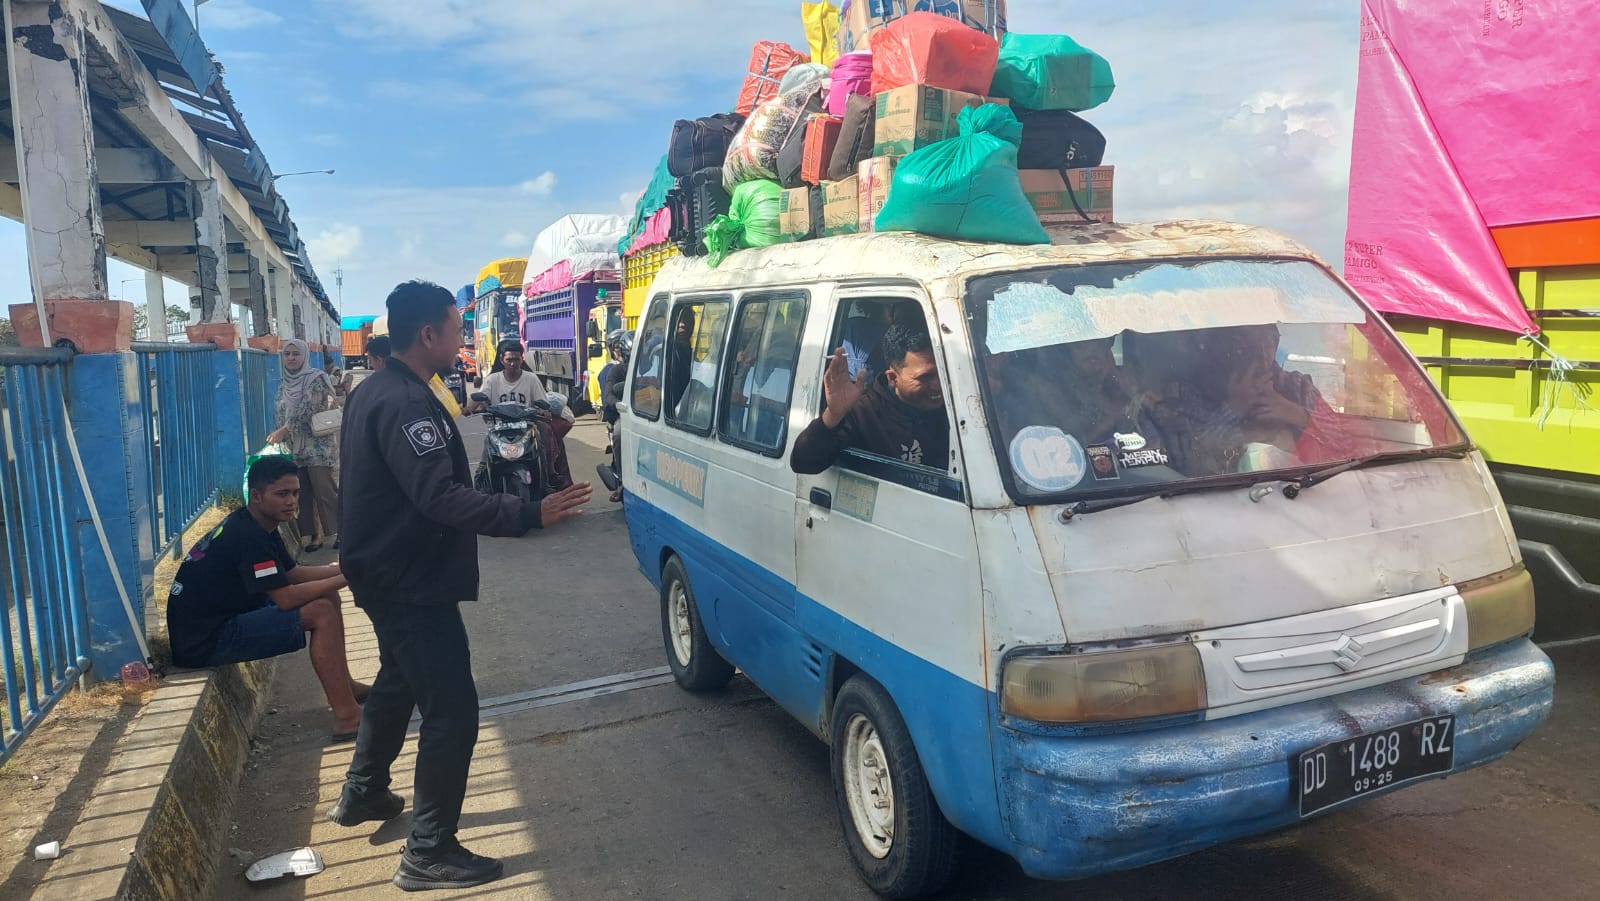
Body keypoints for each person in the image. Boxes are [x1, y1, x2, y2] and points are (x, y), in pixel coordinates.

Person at [332, 280, 591, 890]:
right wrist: (528, 513)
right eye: (454, 329)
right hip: (407, 580)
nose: (461, 340)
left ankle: (364, 790)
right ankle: (428, 850)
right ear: (428, 334)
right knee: (452, 711)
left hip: (384, 568)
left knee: (398, 678)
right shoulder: (405, 403)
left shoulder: (380, 390)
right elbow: (440, 496)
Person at [166, 455, 365, 739]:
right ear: (256, 496)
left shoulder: (259, 523)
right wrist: (350, 577)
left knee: (327, 594)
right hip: (206, 640)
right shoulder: (248, 536)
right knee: (320, 611)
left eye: (295, 493)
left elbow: (293, 573)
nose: (291, 501)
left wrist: (348, 569)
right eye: (282, 494)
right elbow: (286, 598)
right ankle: (348, 718)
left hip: (222, 618)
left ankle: (348, 689)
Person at [791, 324, 950, 474]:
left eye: (943, 373)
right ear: (893, 378)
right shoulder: (863, 412)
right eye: (925, 377)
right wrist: (832, 415)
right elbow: (803, 463)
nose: (938, 385)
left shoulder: (954, 404)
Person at [465, 339, 575, 491]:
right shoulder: (492, 380)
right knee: (485, 461)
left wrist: (543, 410)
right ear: (501, 360)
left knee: (545, 433)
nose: (512, 363)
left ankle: (549, 474)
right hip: (499, 427)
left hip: (526, 426)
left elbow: (542, 402)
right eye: (509, 359)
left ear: (522, 359)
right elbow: (477, 398)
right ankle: (481, 486)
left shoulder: (531, 378)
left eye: (516, 359)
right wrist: (469, 408)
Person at [268, 338, 340, 553]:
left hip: (317, 446)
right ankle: (315, 535)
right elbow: (281, 412)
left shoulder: (315, 379)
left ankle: (342, 532)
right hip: (295, 447)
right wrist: (282, 435)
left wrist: (283, 431)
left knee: (324, 491)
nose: (291, 358)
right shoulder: (284, 382)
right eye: (287, 354)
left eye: (295, 353)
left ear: (305, 355)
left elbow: (308, 409)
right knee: (303, 493)